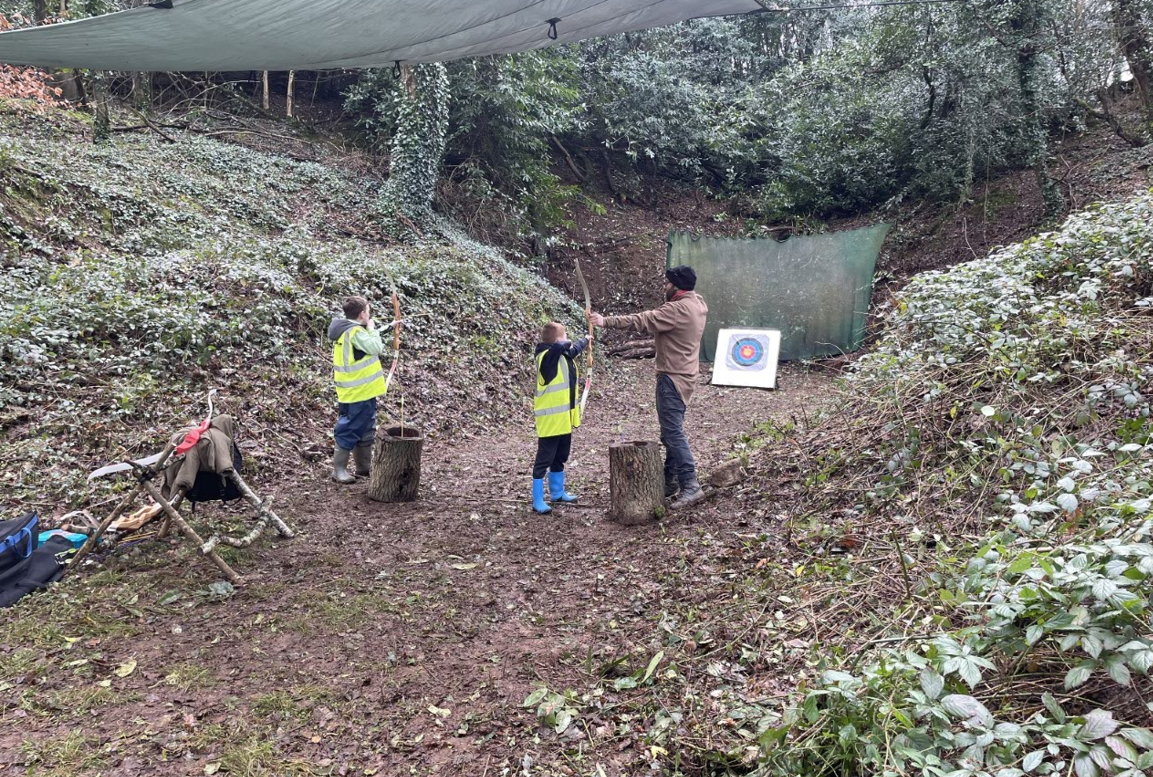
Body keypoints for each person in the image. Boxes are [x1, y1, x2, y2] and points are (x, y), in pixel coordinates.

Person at [591, 265, 708, 508]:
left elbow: (642, 320)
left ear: (676, 287)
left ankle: (690, 485)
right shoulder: (697, 302)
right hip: (685, 375)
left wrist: (605, 321)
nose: (664, 287)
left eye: (667, 283)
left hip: (673, 378)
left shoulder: (677, 309)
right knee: (670, 432)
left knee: (673, 433)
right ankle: (670, 482)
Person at [327, 295, 393, 484]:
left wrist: (381, 328)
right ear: (363, 314)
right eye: (368, 312)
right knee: (349, 427)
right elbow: (374, 346)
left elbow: (364, 346)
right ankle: (339, 470)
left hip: (362, 391)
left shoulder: (348, 330)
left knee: (365, 428)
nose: (369, 315)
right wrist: (372, 329)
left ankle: (363, 468)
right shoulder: (355, 332)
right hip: (356, 391)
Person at [532, 322, 590, 514]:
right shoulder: (545, 358)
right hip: (550, 421)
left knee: (560, 457)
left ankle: (557, 493)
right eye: (565, 336)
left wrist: (585, 341)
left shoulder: (561, 355)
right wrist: (563, 342)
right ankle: (538, 500)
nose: (567, 341)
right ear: (558, 341)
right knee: (544, 459)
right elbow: (559, 348)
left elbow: (571, 351)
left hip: (564, 420)